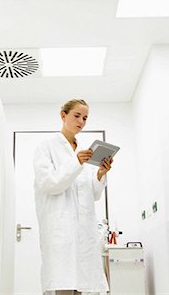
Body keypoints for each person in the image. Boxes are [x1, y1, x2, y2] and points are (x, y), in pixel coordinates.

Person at [33, 99, 113, 295]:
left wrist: (100, 174)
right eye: (77, 116)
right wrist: (76, 163)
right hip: (60, 227)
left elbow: (90, 194)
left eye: (85, 118)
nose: (81, 121)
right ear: (63, 116)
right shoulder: (47, 147)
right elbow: (49, 184)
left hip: (82, 229)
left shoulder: (82, 151)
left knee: (81, 285)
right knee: (63, 283)